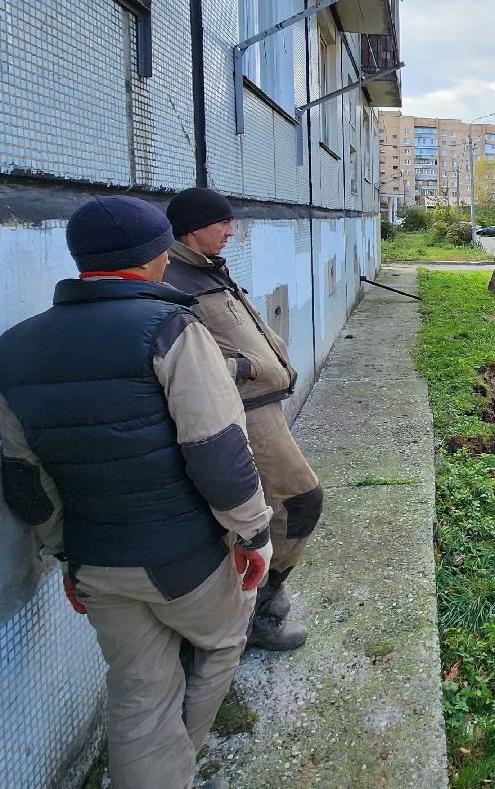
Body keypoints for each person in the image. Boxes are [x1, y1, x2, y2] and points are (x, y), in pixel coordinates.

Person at [0, 196, 271, 789]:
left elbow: (26, 479)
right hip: (184, 556)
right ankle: (181, 763)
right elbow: (219, 451)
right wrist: (253, 533)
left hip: (95, 561)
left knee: (137, 690)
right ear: (153, 259)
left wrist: (66, 555)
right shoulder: (173, 329)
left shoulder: (11, 349)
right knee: (223, 640)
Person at [164, 187, 322, 651]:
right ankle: (258, 609)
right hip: (241, 411)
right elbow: (176, 355)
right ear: (193, 228)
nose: (232, 231)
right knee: (300, 499)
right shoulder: (173, 280)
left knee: (262, 512)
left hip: (260, 404)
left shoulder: (205, 270)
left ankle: (259, 602)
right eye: (223, 223)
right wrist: (246, 368)